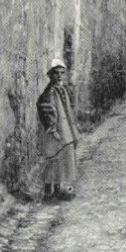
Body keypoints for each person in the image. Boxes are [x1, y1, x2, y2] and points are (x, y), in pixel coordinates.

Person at [37, 58, 79, 201]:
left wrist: (73, 132)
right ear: (50, 75)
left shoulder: (61, 91)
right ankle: (49, 191)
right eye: (56, 73)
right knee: (53, 161)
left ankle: (60, 189)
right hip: (55, 134)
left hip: (65, 131)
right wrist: (52, 129)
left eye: (62, 73)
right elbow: (45, 110)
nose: (60, 76)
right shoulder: (48, 93)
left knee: (63, 161)